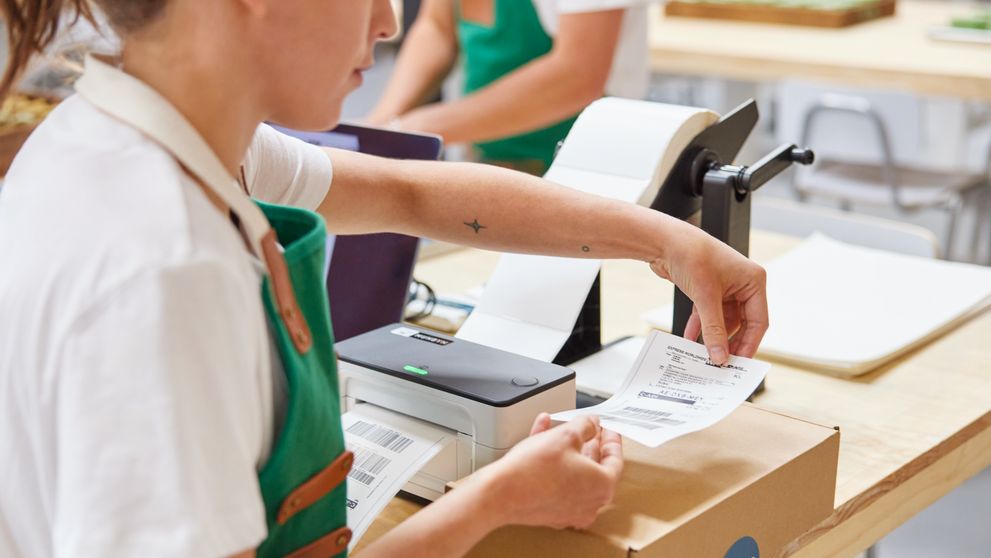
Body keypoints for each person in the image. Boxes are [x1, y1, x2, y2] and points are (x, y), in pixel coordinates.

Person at [0, 1, 768, 558]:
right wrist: (496, 501)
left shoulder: (130, 135)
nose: (389, 24)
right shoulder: (163, 269)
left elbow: (410, 194)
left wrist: (663, 239)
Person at [368, 0, 649, 174]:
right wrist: (379, 124)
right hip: (482, 162)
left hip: (583, 167)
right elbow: (438, 28)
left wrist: (413, 128)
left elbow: (577, 75)